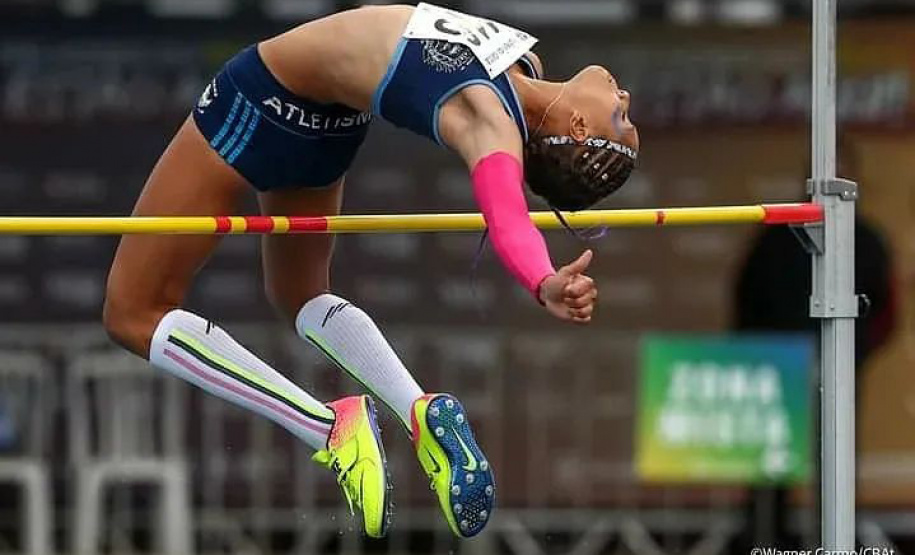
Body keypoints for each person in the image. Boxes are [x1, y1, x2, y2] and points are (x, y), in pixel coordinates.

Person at [102, 2, 639, 539]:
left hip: (261, 98)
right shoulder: (527, 69)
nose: (626, 99)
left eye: (621, 119)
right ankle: (418, 409)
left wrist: (541, 279)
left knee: (133, 312)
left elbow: (506, 212)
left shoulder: (490, 117)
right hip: (330, 123)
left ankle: (326, 427)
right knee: (301, 295)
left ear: (577, 126)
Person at [733, 135, 896, 547]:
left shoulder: (869, 241)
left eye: (840, 171)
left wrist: (852, 354)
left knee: (837, 464)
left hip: (840, 371)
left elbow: (886, 313)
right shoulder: (775, 237)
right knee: (770, 468)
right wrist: (763, 357)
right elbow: (746, 299)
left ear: (855, 177)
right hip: (778, 370)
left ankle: (838, 541)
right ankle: (766, 541)